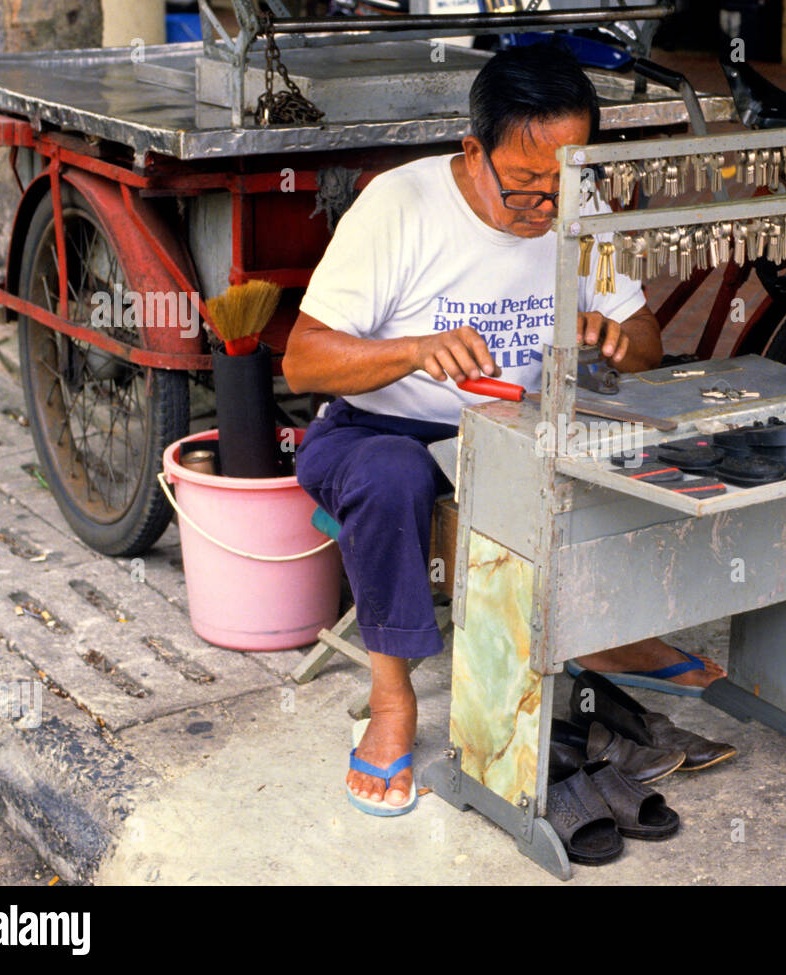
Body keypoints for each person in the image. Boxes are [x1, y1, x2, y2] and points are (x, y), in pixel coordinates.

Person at [283, 42, 725, 814]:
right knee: (395, 476)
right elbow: (303, 362)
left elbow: (646, 341)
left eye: (565, 183)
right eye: (526, 186)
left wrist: (616, 340)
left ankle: (606, 637)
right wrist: (412, 351)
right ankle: (393, 701)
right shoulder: (401, 205)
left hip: (512, 431)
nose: (549, 209)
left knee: (624, 441)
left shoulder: (577, 207)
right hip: (377, 432)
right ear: (473, 150)